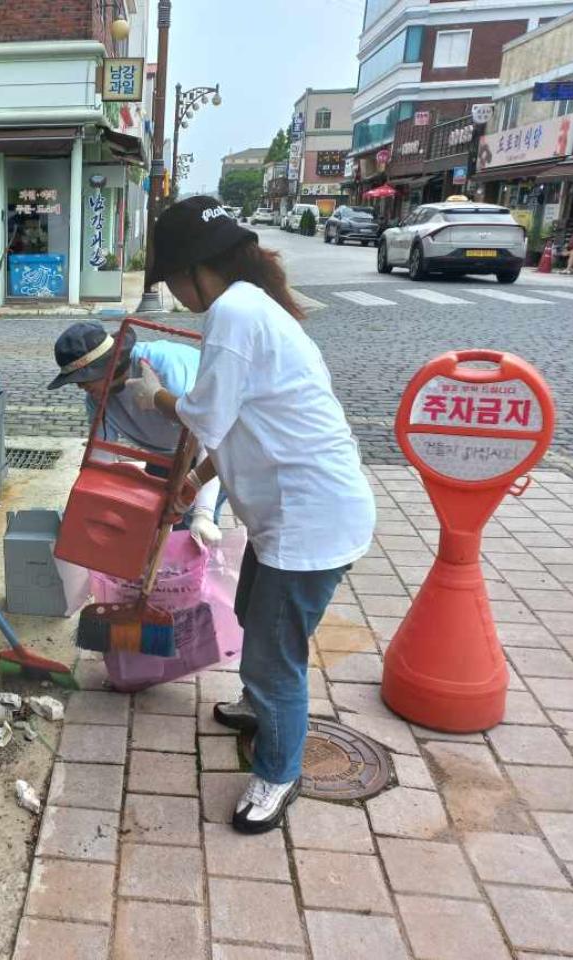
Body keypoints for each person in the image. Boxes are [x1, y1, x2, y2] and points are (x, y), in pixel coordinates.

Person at [126, 197, 375, 834]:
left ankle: (277, 773)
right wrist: (196, 484)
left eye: (172, 281)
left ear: (194, 271)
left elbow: (206, 416)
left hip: (311, 520)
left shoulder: (233, 310)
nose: (175, 294)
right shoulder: (250, 306)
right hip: (290, 514)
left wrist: (151, 394)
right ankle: (259, 706)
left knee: (275, 657)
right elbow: (239, 423)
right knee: (250, 613)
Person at [47, 321, 224, 546]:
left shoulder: (167, 372)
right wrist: (93, 505)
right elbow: (102, 456)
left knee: (191, 536)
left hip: (216, 453)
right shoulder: (97, 400)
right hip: (165, 454)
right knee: (155, 525)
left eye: (83, 379)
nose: (80, 388)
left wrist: (204, 513)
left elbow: (212, 440)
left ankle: (195, 571)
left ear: (105, 366)